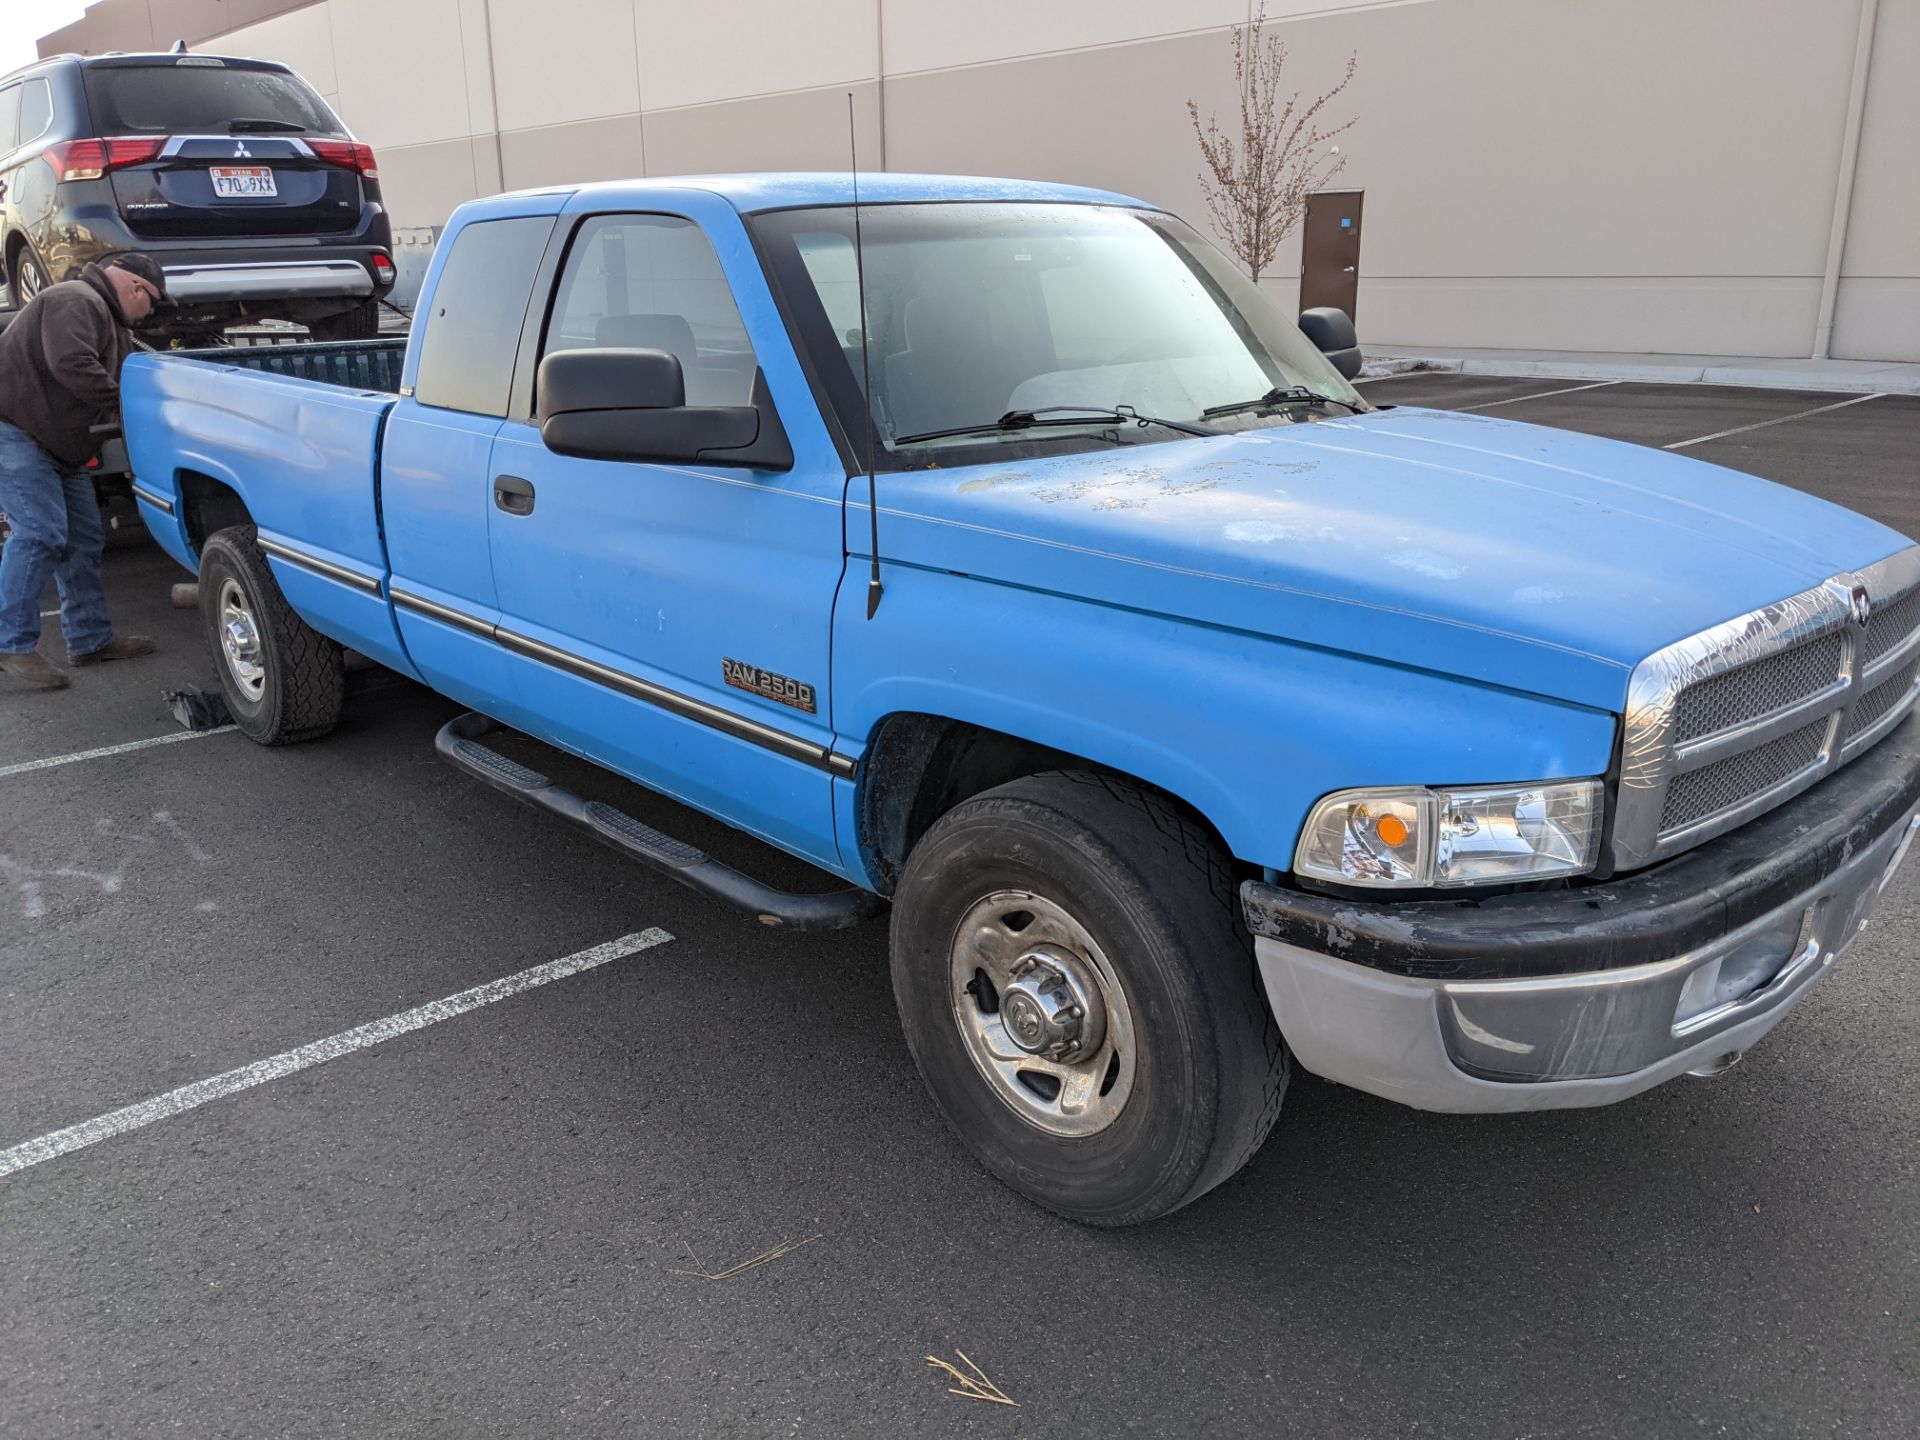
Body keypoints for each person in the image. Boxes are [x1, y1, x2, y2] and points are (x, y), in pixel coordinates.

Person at [0, 251, 166, 690]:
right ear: (135, 288)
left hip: (58, 445)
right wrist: (125, 403)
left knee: (83, 538)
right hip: (14, 431)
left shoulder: (106, 318)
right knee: (39, 533)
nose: (149, 315)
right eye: (152, 303)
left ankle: (90, 640)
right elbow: (71, 363)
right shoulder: (77, 299)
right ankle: (9, 643)